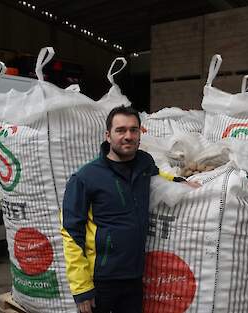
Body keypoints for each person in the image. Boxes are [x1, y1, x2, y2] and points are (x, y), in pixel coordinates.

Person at [61, 105, 199, 313]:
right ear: (108, 136)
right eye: (121, 130)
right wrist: (81, 289)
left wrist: (180, 181)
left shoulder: (144, 162)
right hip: (102, 280)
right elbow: (71, 233)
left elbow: (158, 174)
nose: (128, 136)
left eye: (134, 130)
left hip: (134, 276)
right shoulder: (85, 178)